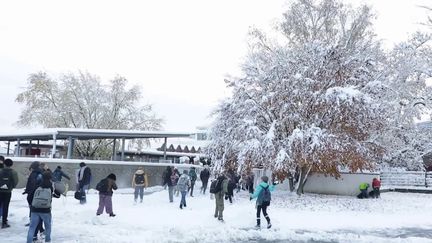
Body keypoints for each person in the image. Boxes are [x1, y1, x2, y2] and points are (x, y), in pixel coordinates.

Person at [26, 171, 55, 243]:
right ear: (50, 178)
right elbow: (54, 196)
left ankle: (29, 241)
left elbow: (30, 196)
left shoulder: (37, 185)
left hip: (35, 209)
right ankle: (47, 240)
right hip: (46, 210)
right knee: (48, 226)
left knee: (32, 227)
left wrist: (31, 204)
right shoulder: (51, 186)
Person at [23, 161, 45, 238]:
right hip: (42, 196)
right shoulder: (42, 173)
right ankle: (41, 229)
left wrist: (28, 194)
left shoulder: (34, 174)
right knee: (39, 212)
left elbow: (32, 185)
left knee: (35, 213)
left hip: (33, 196)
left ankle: (35, 234)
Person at [0, 158, 19, 228]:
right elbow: (16, 181)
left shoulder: (0, 171)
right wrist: (11, 187)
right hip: (7, 192)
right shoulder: (13, 172)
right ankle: (4, 222)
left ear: (4, 164)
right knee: (5, 206)